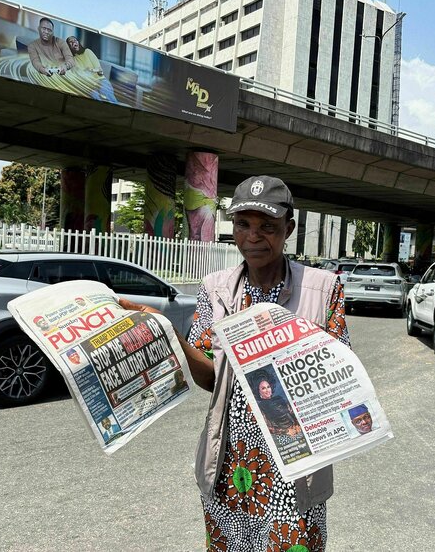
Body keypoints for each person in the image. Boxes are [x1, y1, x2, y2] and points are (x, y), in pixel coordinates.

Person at [120, 175, 349, 551]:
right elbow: (210, 376)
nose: (253, 236)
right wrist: (169, 334)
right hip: (230, 464)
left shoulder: (324, 289)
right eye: (243, 224)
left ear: (288, 229)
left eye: (267, 226)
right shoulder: (216, 288)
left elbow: (339, 383)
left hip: (293, 469)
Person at [65, 36, 119, 103]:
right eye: (71, 42)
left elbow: (100, 71)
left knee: (104, 90)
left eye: (75, 40)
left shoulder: (88, 52)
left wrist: (91, 71)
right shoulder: (72, 61)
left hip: (100, 81)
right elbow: (77, 77)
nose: (74, 42)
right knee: (95, 96)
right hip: (88, 87)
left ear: (78, 42)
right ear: (68, 46)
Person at [254, 372, 302, 439]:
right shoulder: (260, 407)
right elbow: (267, 427)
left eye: (268, 387)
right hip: (282, 435)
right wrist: (286, 431)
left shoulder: (279, 398)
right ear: (258, 391)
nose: (267, 390)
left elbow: (292, 412)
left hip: (295, 428)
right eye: (263, 388)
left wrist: (297, 424)